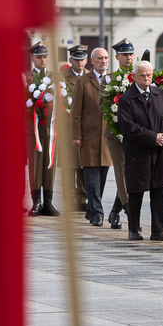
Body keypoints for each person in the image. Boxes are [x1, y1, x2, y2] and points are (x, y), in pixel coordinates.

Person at [118, 60, 163, 241]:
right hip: (138, 151)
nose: (146, 79)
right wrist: (153, 137)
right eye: (142, 75)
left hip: (160, 151)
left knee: (159, 191)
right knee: (136, 191)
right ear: (134, 77)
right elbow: (128, 127)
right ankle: (134, 229)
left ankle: (158, 231)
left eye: (149, 75)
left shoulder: (161, 94)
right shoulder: (127, 99)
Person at [70, 47, 113, 227]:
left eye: (105, 58)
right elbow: (76, 111)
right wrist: (76, 135)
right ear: (92, 61)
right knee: (91, 176)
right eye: (99, 58)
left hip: (107, 137)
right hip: (88, 136)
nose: (103, 61)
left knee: (102, 177)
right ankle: (97, 212)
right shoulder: (83, 81)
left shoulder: (113, 79)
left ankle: (91, 208)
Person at [23, 41, 61, 217]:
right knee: (36, 166)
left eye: (45, 57)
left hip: (51, 130)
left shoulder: (55, 77)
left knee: (49, 165)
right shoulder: (26, 78)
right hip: (33, 129)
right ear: (32, 58)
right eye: (39, 57)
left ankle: (48, 202)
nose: (43, 60)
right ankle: (36, 201)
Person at [105, 39, 136, 229]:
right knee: (122, 171)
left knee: (131, 174)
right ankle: (130, 211)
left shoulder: (141, 75)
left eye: (131, 54)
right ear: (117, 57)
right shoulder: (109, 79)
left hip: (137, 133)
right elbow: (104, 104)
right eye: (125, 54)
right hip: (116, 132)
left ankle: (115, 211)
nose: (129, 58)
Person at [61, 45, 89, 212]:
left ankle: (82, 198)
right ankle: (70, 197)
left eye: (82, 59)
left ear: (86, 60)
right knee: (70, 165)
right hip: (68, 128)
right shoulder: (63, 78)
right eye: (76, 59)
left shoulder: (90, 77)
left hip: (86, 128)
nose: (80, 62)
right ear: (70, 60)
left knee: (85, 164)